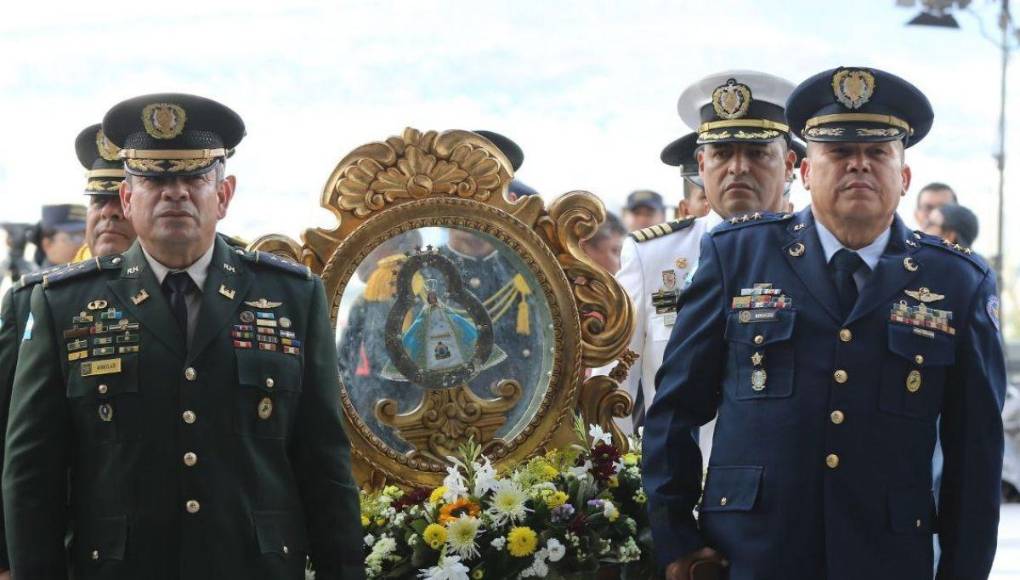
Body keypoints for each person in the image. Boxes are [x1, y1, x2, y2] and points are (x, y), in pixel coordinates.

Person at [644, 66, 1005, 580]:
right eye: (838, 152)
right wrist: (676, 540)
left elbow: (977, 454)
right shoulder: (737, 256)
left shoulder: (958, 282)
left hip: (885, 558)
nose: (859, 164)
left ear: (903, 178)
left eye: (878, 152)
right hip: (749, 553)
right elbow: (674, 411)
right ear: (807, 171)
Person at [3, 93, 365, 578]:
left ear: (225, 194)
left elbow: (324, 464)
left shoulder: (291, 297)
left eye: (194, 177)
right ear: (128, 198)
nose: (175, 193)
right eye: (154, 178)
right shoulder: (63, 305)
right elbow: (32, 474)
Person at [604, 71, 797, 435]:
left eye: (757, 153)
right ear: (702, 164)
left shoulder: (818, 257)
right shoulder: (652, 256)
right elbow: (614, 384)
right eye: (722, 153)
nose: (738, 167)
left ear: (789, 166)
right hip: (678, 483)